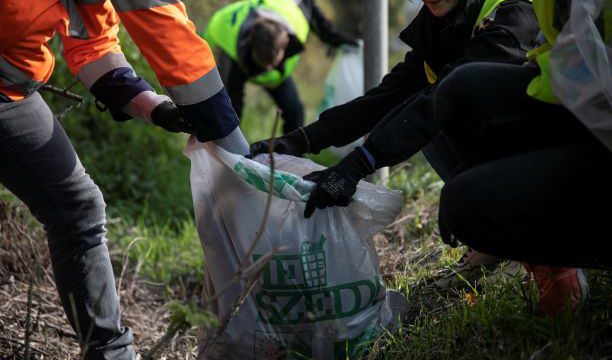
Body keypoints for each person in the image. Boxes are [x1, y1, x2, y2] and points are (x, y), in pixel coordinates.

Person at [0, 0, 249, 358]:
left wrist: (155, 106)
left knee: (78, 208)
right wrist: (229, 135)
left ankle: (112, 354)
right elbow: (166, 33)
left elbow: (93, 46)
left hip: (10, 92)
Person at [250, 0, 539, 287]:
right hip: (506, 147)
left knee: (436, 110)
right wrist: (300, 139)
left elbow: (441, 101)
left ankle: (525, 237)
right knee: (423, 118)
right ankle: (491, 243)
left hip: (545, 152)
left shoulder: (511, 13)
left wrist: (359, 163)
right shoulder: (441, 23)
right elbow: (385, 97)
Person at [435, 0, 611, 315]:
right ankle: (553, 261)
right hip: (592, 110)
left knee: (466, 205)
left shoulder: (509, 11)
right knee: (459, 95)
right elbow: (569, 45)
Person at [204, 0, 358, 134]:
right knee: (230, 114)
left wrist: (337, 39)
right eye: (264, 64)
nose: (270, 68)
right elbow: (232, 106)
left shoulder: (297, 18)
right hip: (227, 42)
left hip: (274, 51)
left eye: (273, 63)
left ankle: (292, 155)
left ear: (283, 48)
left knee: (295, 112)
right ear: (251, 50)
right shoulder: (230, 49)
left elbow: (314, 14)